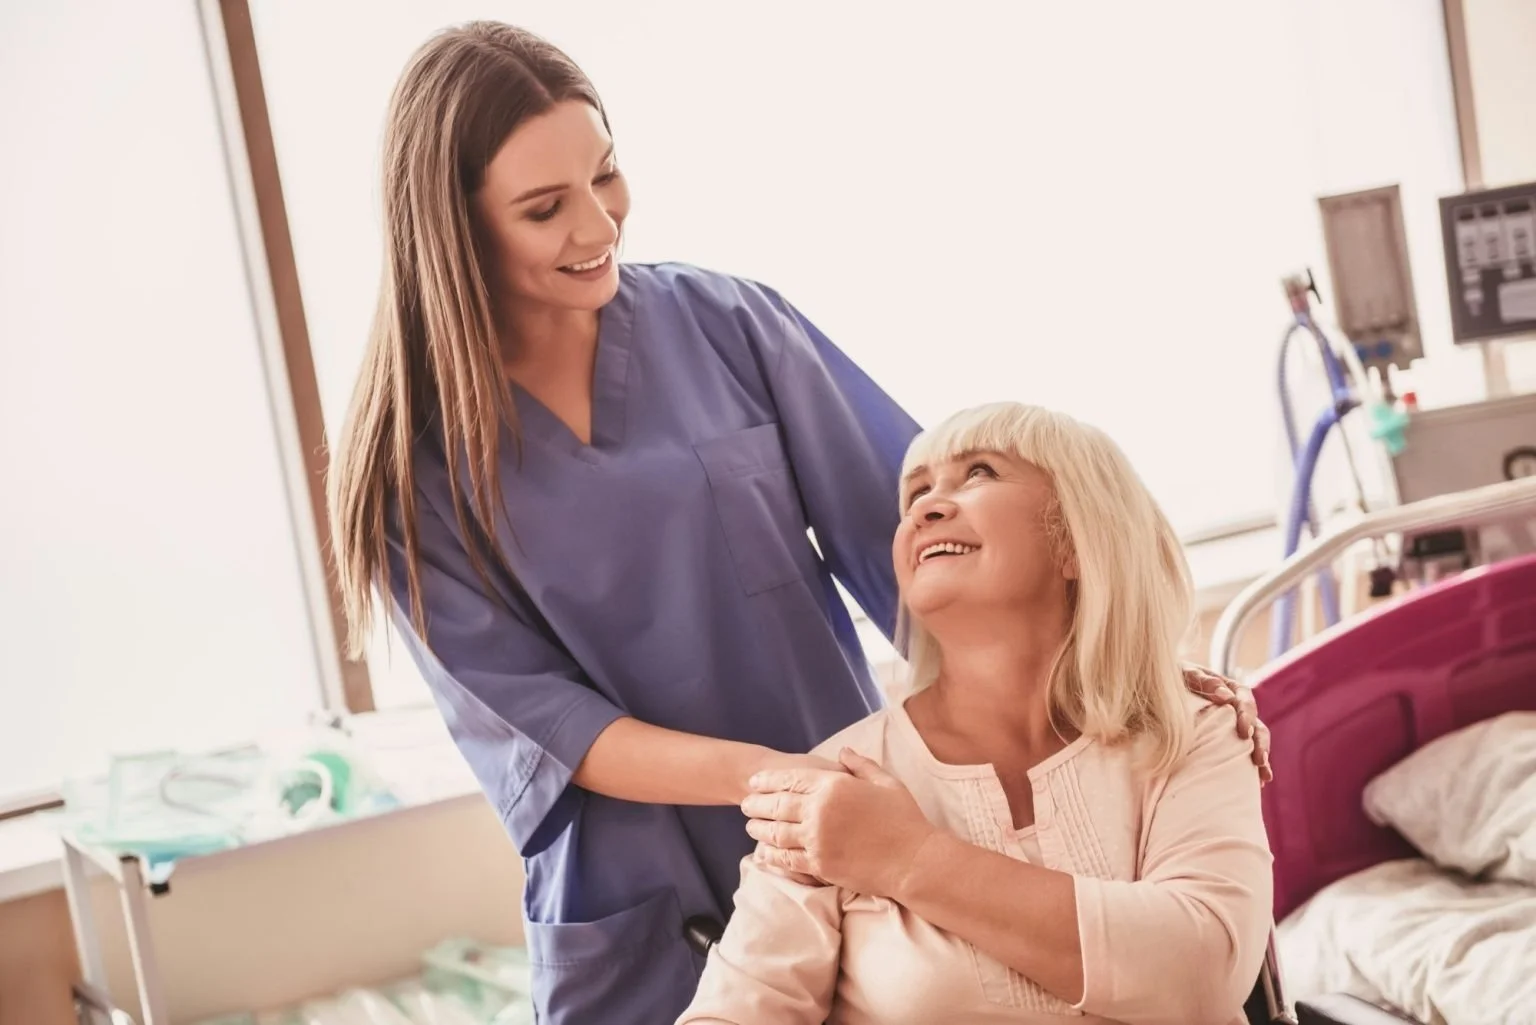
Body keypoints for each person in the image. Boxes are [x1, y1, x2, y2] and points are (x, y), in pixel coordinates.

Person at [326, 22, 1271, 1024]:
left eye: (607, 176)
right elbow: (556, 732)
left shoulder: (727, 326)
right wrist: (799, 789)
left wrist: (1130, 668)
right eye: (544, 208)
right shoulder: (408, 474)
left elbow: (926, 541)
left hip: (856, 851)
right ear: (456, 229)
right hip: (644, 904)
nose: (599, 225)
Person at [679, 403, 1274, 1025]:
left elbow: (1206, 969)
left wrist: (910, 860)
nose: (926, 508)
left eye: (981, 473)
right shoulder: (837, 788)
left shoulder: (1193, 730)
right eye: (916, 493)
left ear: (1077, 540)